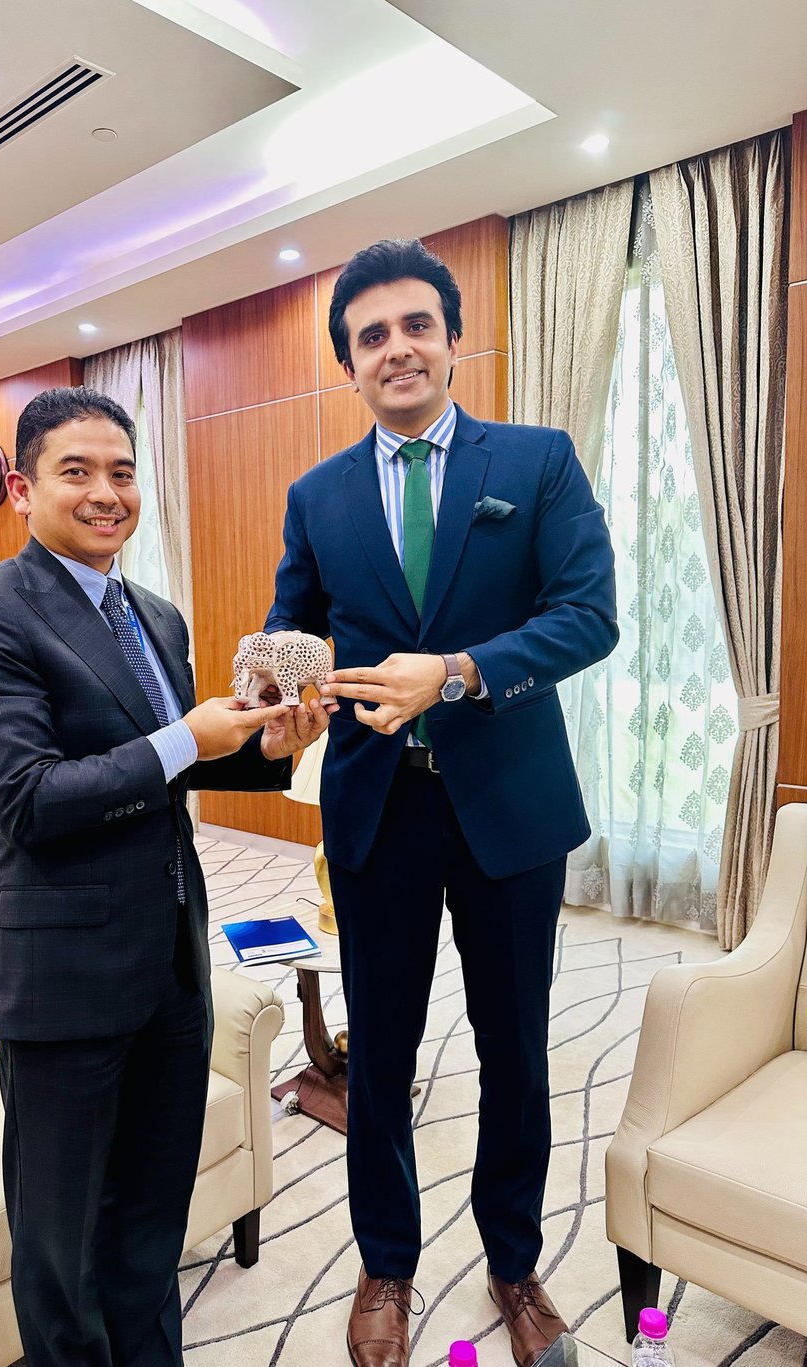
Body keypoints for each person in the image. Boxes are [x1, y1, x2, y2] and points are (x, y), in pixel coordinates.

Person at [265, 240, 618, 1367]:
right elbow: (293, 635)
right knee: (380, 1049)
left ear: (454, 339)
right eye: (371, 335)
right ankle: (386, 1262)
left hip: (509, 804)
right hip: (377, 810)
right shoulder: (316, 494)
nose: (397, 348)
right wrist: (282, 700)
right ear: (349, 364)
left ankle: (515, 1262)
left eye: (416, 324)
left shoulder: (538, 460)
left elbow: (588, 615)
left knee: (516, 1046)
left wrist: (458, 671)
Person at [0, 386, 328, 1367]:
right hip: (63, 980)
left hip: (172, 964)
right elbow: (26, 796)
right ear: (22, 488)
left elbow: (173, 769)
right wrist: (181, 736)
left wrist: (271, 747)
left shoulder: (155, 613)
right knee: (61, 1247)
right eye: (76, 471)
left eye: (122, 472)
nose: (106, 493)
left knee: (155, 1218)